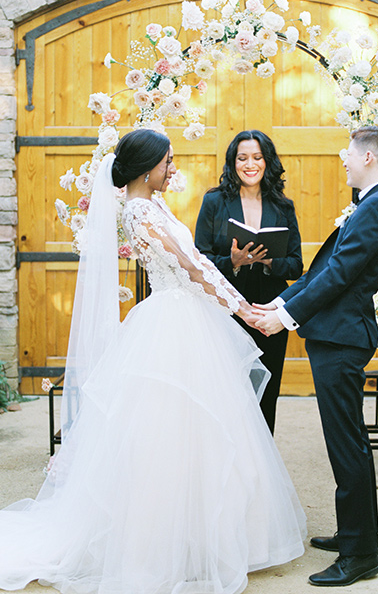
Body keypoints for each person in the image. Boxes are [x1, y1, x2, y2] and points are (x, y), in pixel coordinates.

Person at [0, 129, 306, 594]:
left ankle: (197, 534)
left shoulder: (151, 206)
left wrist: (239, 304)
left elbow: (195, 264)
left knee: (198, 431)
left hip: (184, 319)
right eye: (168, 161)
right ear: (147, 169)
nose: (173, 168)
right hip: (172, 325)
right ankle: (160, 544)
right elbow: (192, 266)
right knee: (167, 433)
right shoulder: (140, 211)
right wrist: (242, 309)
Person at [254, 126, 378, 587]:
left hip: (342, 339)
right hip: (335, 335)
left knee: (347, 444)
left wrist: (286, 317)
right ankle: (355, 533)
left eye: (350, 153)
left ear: (369, 159)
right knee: (347, 441)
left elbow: (340, 275)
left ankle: (361, 554)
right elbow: (326, 268)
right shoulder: (370, 204)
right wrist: (281, 302)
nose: (344, 159)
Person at [195, 130, 303, 434]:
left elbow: (296, 264)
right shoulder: (214, 201)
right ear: (233, 162)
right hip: (225, 306)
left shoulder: (283, 206)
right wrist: (233, 262)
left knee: (267, 387)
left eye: (257, 157)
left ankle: (262, 462)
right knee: (225, 386)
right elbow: (199, 259)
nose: (250, 164)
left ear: (267, 162)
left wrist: (269, 261)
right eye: (243, 158)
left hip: (268, 309)